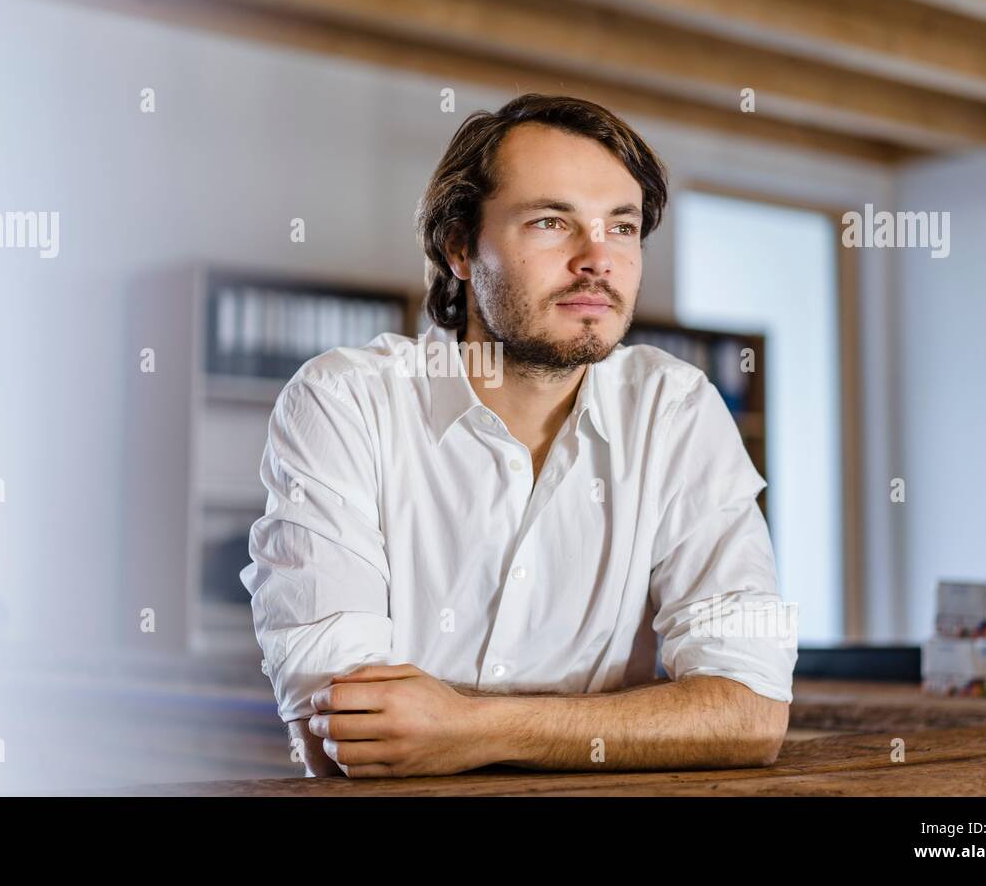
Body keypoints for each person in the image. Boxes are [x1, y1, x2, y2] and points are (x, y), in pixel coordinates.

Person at [240, 93, 796, 778]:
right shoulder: (346, 401)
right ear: (460, 247)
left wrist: (472, 727)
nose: (597, 259)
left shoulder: (674, 408)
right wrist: (614, 724)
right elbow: (346, 740)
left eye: (621, 228)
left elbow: (749, 712)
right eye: (551, 222)